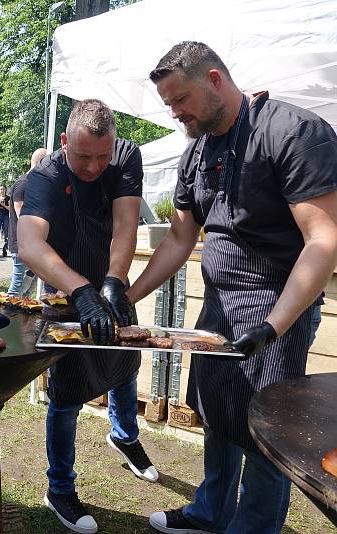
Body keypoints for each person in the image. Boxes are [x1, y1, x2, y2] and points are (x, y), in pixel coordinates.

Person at [126, 41, 337, 534]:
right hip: (219, 304)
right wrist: (128, 295)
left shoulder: (292, 132)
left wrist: (274, 325)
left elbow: (324, 240)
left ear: (215, 80)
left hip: (277, 304)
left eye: (180, 101)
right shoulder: (197, 149)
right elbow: (181, 236)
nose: (175, 114)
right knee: (216, 410)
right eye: (169, 105)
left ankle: (253, 526)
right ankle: (210, 512)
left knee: (268, 428)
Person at [18, 99, 157, 534]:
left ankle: (125, 436)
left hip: (109, 275)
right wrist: (81, 291)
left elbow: (125, 222)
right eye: (83, 156)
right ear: (64, 143)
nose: (96, 166)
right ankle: (59, 487)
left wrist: (114, 281)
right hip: (63, 287)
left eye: (103, 154)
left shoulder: (126, 155)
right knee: (66, 394)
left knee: (124, 364)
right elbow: (29, 244)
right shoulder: (44, 176)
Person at [6, 149, 47, 296]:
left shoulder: (33, 183)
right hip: (21, 243)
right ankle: (7, 315)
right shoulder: (23, 183)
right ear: (42, 162)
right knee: (17, 286)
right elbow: (22, 215)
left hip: (30, 243)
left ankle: (23, 317)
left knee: (27, 286)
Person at [0, 184, 10, 255]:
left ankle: (6, 245)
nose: (2, 191)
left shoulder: (8, 198)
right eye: (1, 189)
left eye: (3, 189)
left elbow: (10, 209)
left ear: (5, 190)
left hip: (6, 215)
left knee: (6, 230)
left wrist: (4, 205)